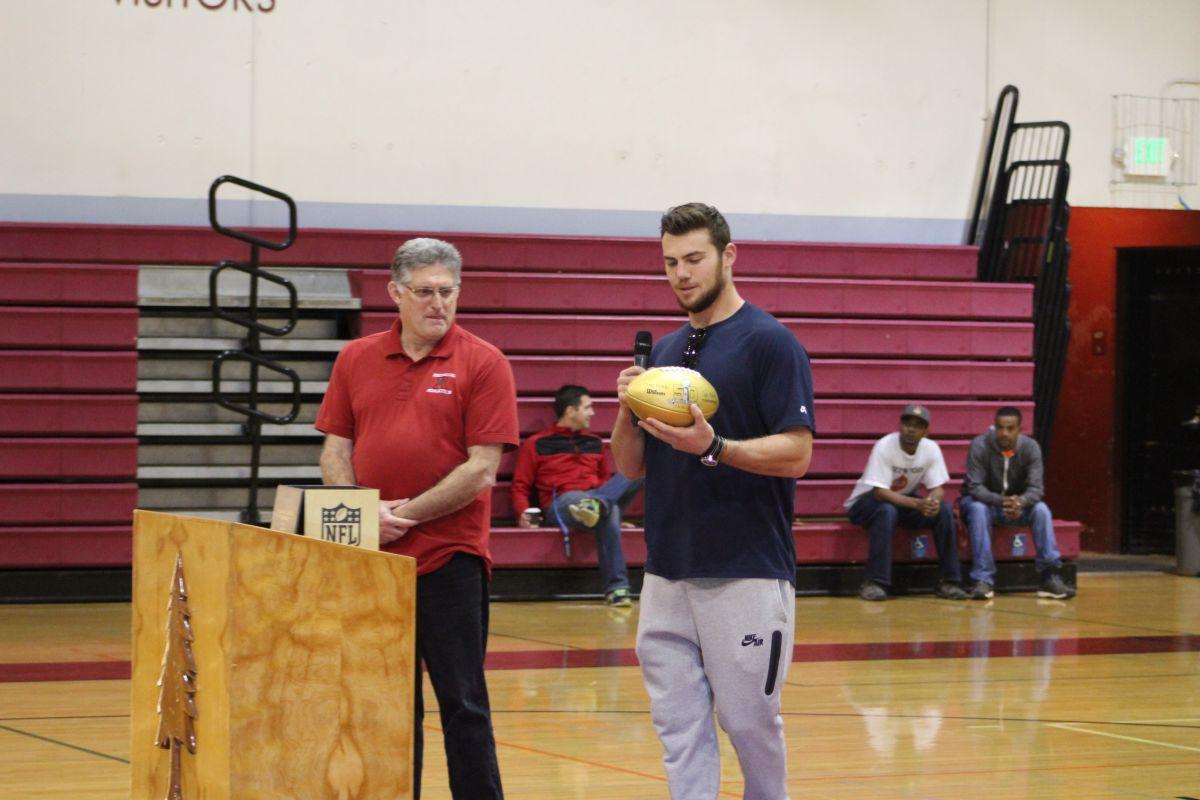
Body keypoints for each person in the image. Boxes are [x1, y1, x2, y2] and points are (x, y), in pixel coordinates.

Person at [613, 203, 815, 799]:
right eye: (671, 262)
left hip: (746, 570)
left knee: (750, 724)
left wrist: (716, 446)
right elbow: (630, 465)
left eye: (695, 258)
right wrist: (626, 405)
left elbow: (797, 454)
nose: (681, 274)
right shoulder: (668, 350)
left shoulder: (771, 343)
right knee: (678, 728)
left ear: (729, 256)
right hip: (667, 571)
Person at [315, 237, 517, 800]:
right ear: (394, 294)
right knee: (385, 704)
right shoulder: (355, 358)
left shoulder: (484, 362)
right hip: (372, 563)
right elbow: (334, 449)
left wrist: (399, 515)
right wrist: (359, 512)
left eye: (447, 292)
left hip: (450, 560)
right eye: (424, 292)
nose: (437, 304)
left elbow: (480, 470)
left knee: (463, 704)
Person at [511, 384, 642, 606]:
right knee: (610, 510)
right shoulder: (537, 443)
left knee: (636, 472)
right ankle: (617, 588)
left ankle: (598, 506)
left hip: (596, 497)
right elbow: (521, 485)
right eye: (588, 407)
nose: (592, 413)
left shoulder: (594, 442)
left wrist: (607, 503)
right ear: (571, 411)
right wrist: (523, 514)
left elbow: (604, 482)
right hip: (562, 504)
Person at [844, 404, 967, 601]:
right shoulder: (885, 446)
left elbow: (938, 488)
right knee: (886, 511)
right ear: (900, 426)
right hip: (865, 503)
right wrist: (918, 504)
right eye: (907, 424)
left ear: (926, 431)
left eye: (917, 426)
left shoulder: (931, 449)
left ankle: (950, 581)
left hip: (900, 503)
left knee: (942, 511)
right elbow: (879, 493)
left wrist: (932, 502)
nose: (911, 429)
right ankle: (875, 582)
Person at [960, 406, 1075, 600]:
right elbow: (975, 487)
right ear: (994, 427)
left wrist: (1020, 502)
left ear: (1020, 429)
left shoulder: (1031, 448)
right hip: (985, 504)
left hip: (1016, 506)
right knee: (977, 508)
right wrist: (1002, 501)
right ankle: (983, 580)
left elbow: (1037, 489)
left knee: (1041, 510)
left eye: (1010, 428)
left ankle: (1049, 577)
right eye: (1000, 427)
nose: (1004, 433)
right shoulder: (980, 445)